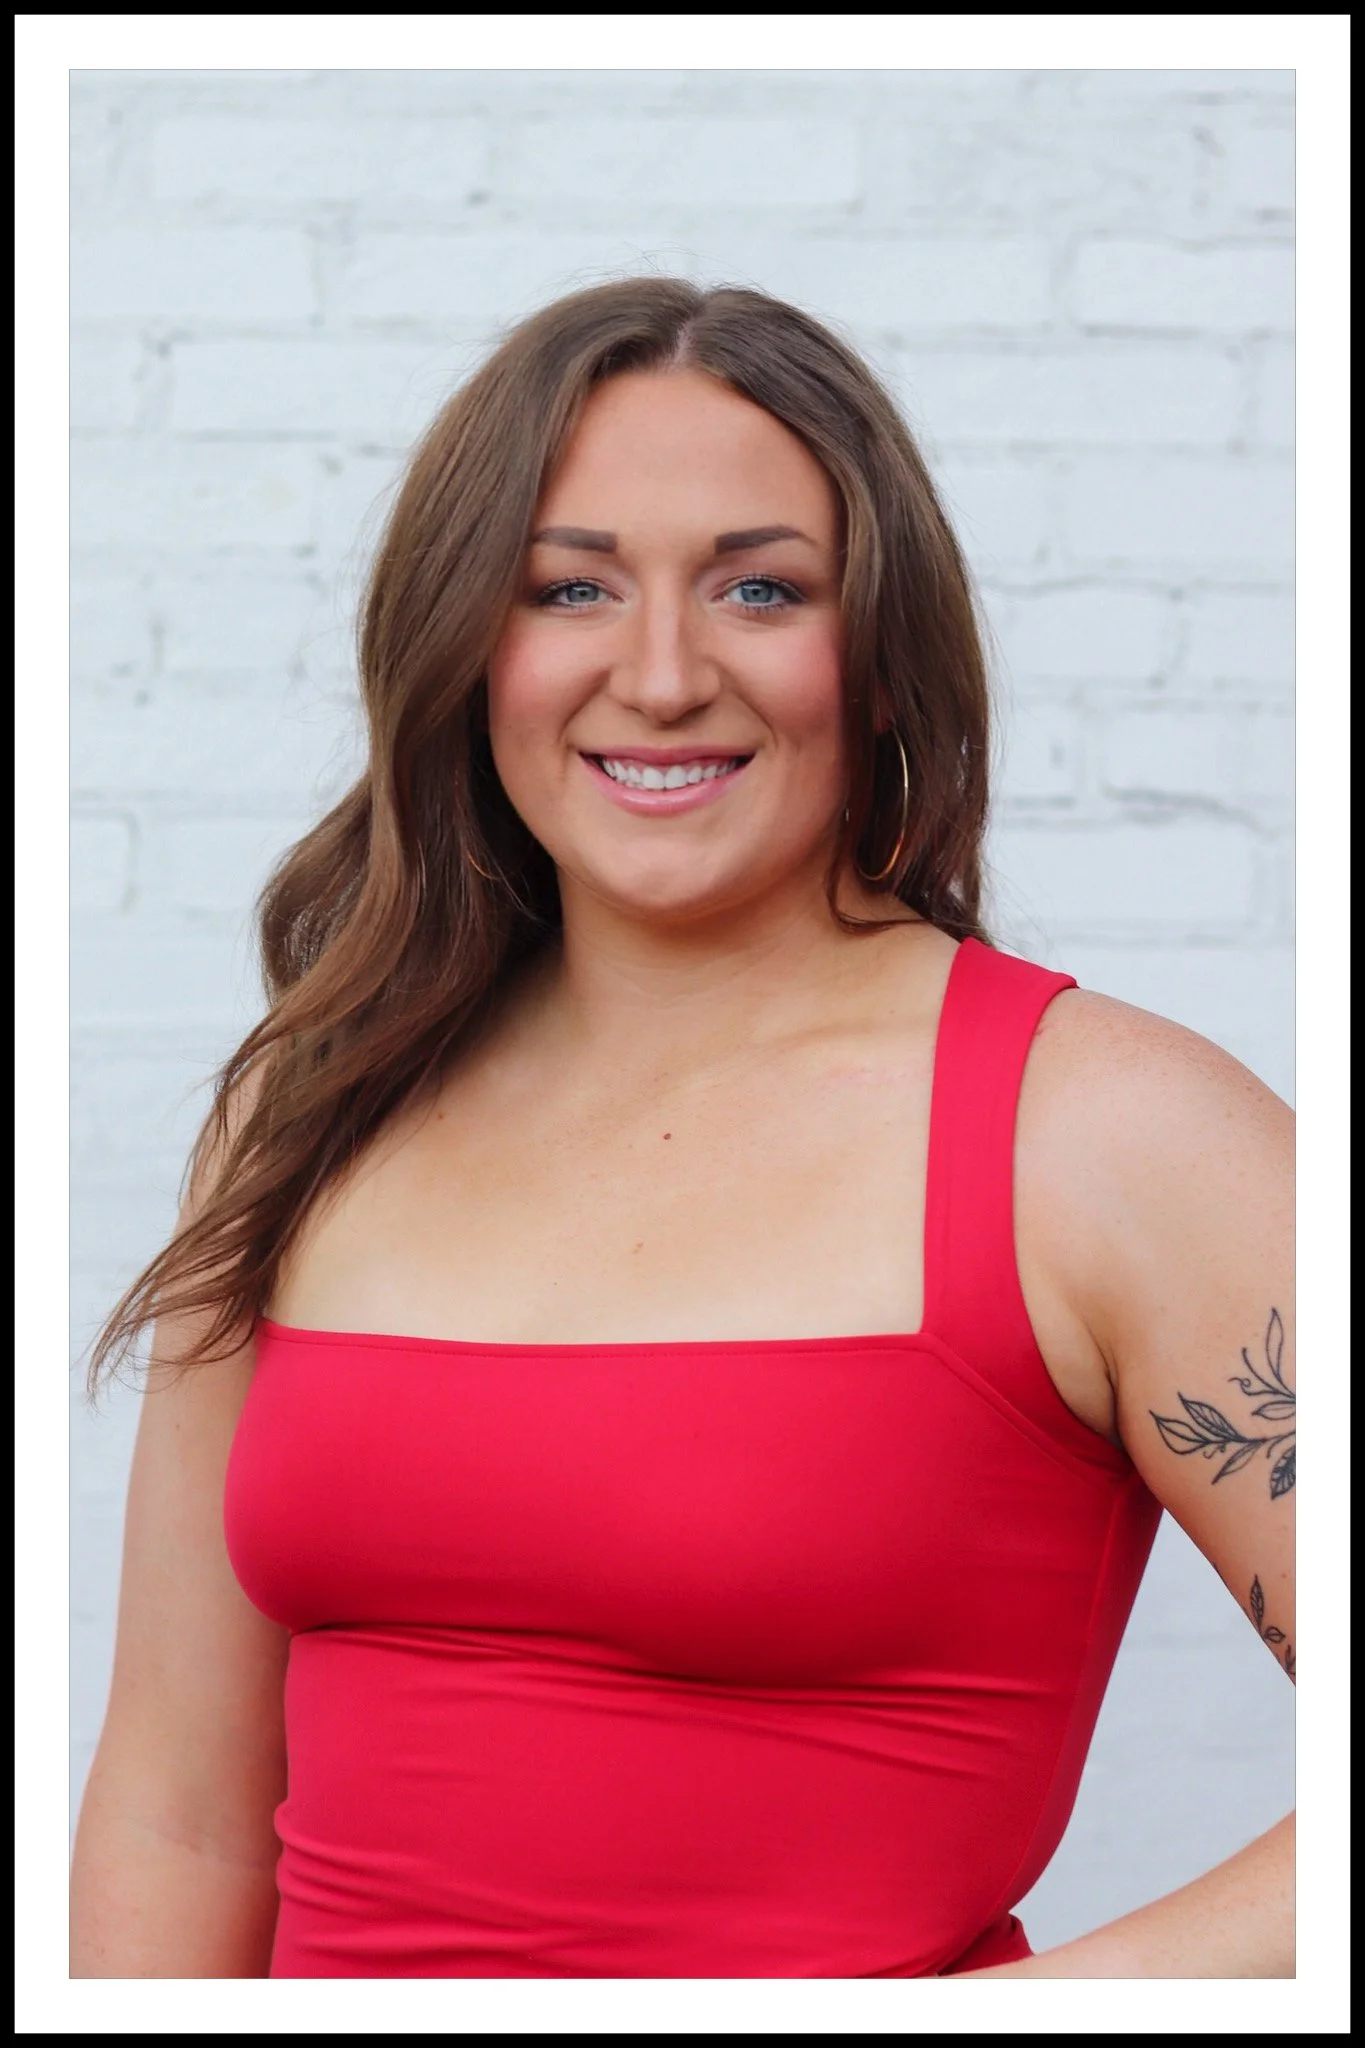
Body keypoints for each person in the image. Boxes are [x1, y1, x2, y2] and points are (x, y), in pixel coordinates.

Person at [69, 278, 1294, 1980]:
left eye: (758, 588)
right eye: (570, 587)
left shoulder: (1107, 1135)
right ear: (463, 648)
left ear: (876, 650)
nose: (659, 674)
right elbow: (176, 1813)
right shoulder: (313, 1108)